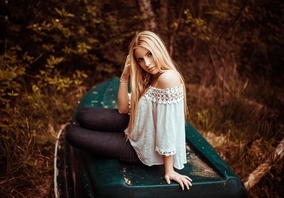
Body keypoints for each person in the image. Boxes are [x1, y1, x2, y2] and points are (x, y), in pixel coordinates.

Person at [66, 30, 192, 190]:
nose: (147, 63)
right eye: (140, 59)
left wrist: (169, 170)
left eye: (150, 54)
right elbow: (123, 109)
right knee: (83, 114)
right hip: (134, 126)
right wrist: (125, 77)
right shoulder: (150, 75)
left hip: (142, 149)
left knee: (74, 134)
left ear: (159, 50)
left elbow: (167, 128)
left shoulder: (168, 78)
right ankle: (116, 133)